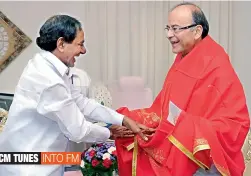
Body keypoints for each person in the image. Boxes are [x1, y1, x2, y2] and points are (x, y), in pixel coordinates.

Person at [0, 15, 152, 176]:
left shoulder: (47, 66)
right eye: (80, 44)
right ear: (61, 44)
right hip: (29, 166)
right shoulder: (49, 80)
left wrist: (123, 119)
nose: (83, 50)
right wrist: (111, 133)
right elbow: (77, 130)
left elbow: (81, 102)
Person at [113, 2, 250, 176]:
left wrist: (187, 125)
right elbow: (163, 111)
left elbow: (235, 123)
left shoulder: (216, 64)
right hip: (179, 142)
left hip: (203, 158)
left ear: (197, 31)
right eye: (168, 28)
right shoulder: (183, 59)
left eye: (176, 29)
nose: (169, 35)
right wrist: (124, 120)